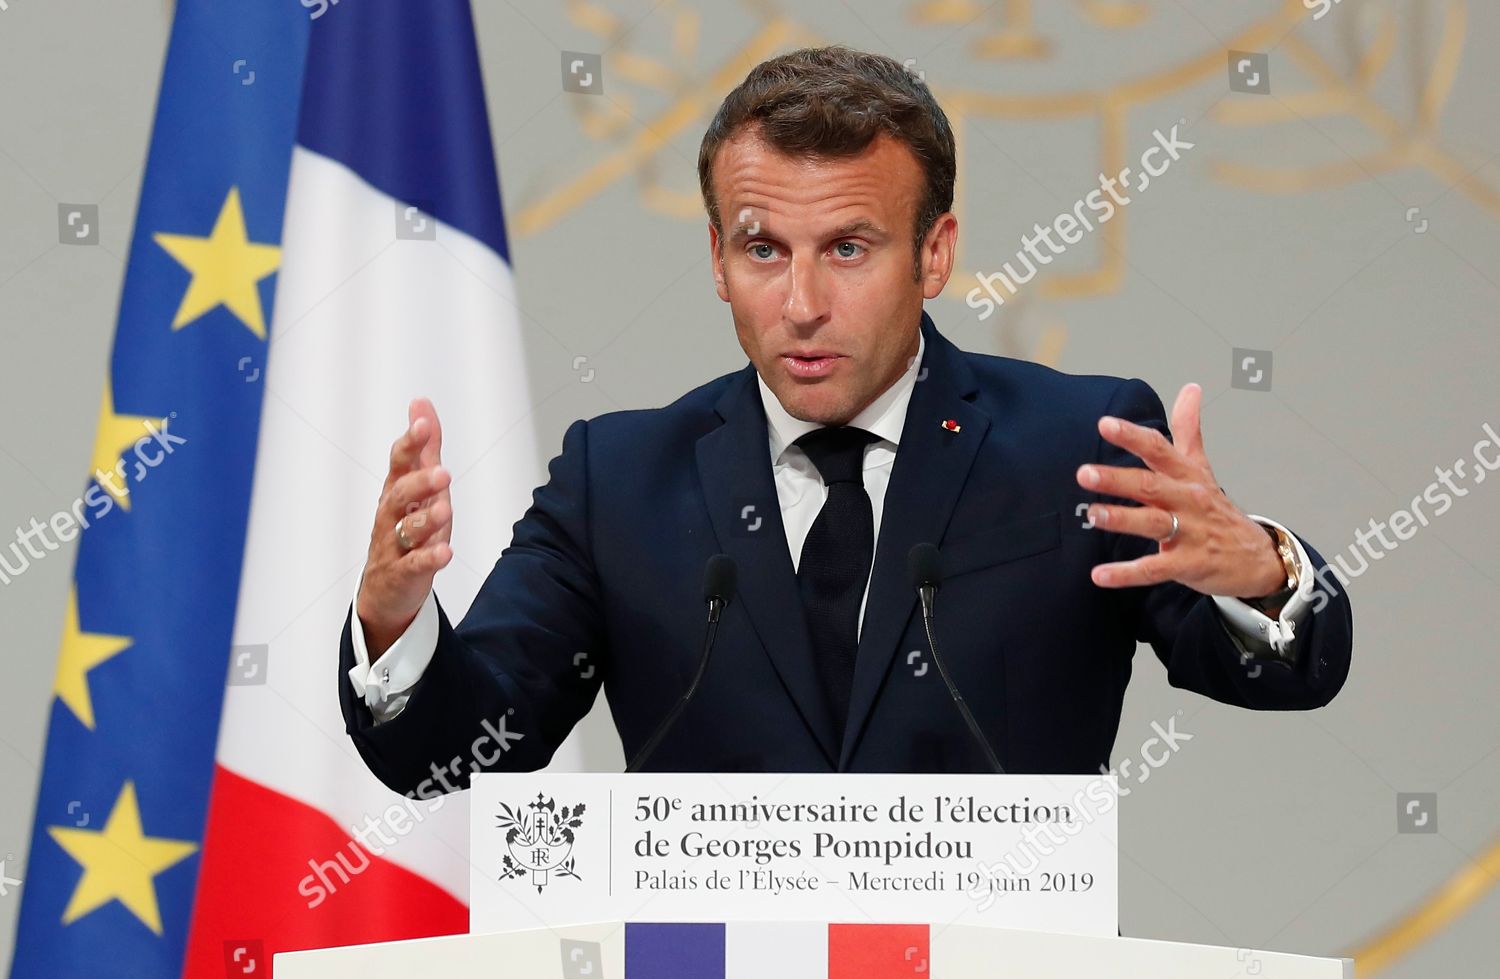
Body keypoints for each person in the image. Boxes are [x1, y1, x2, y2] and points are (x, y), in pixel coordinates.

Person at [338, 46, 1352, 793]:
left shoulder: (1077, 445)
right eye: (764, 248)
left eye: (851, 248)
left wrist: (1261, 572)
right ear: (716, 261)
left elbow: (1279, 676)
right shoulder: (620, 479)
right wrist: (395, 617)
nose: (803, 301)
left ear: (936, 253)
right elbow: (453, 754)